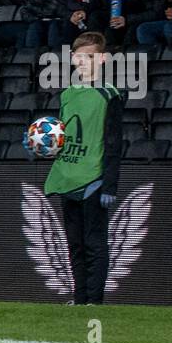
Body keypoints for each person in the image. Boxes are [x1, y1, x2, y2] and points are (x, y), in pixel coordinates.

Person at [43, 32, 121, 305]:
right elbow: (63, 136)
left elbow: (113, 142)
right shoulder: (66, 95)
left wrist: (109, 184)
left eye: (90, 57)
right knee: (74, 243)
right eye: (79, 56)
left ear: (101, 59)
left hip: (93, 179)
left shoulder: (109, 94)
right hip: (68, 176)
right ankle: (79, 298)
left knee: (94, 242)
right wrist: (48, 146)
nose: (83, 61)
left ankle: (94, 300)